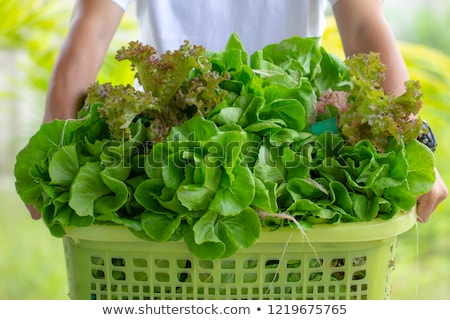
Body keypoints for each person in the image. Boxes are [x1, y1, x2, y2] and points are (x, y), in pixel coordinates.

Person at [31, 0, 447, 222]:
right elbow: (92, 24)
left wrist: (413, 142)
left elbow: (363, 24)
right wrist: (51, 163)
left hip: (296, 142)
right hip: (170, 148)